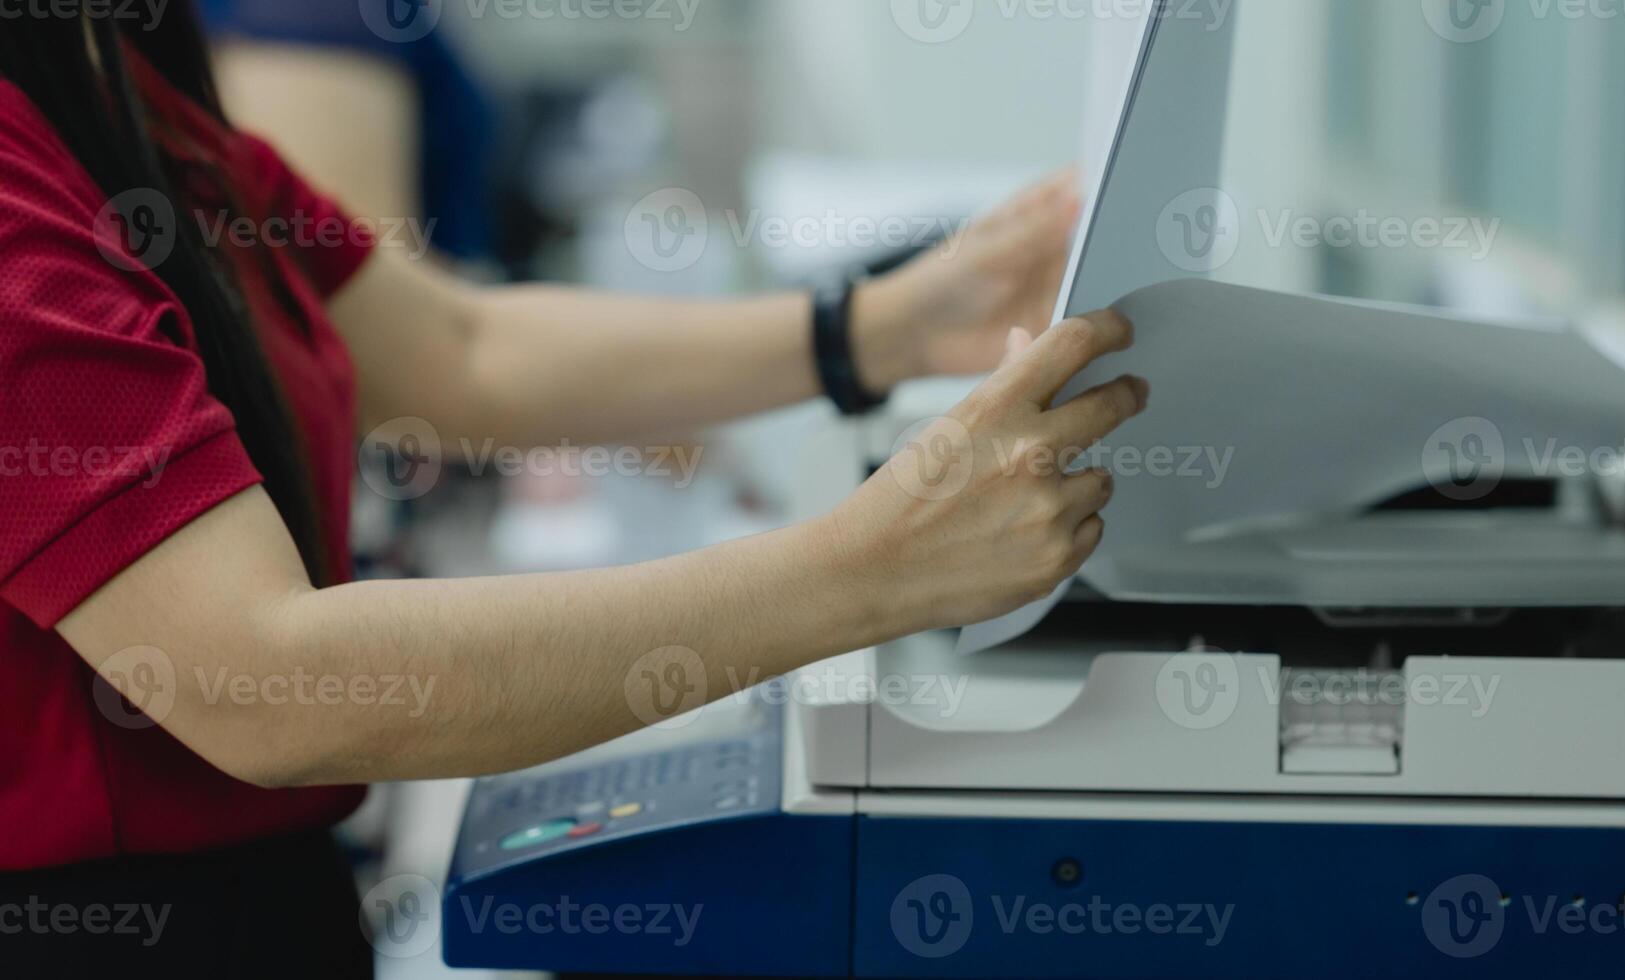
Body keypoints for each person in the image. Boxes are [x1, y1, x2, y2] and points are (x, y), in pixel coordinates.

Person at [0, 5, 1148, 975]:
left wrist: (881, 325)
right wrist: (868, 569)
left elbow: (456, 348)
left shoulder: (118, 90)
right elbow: (264, 678)